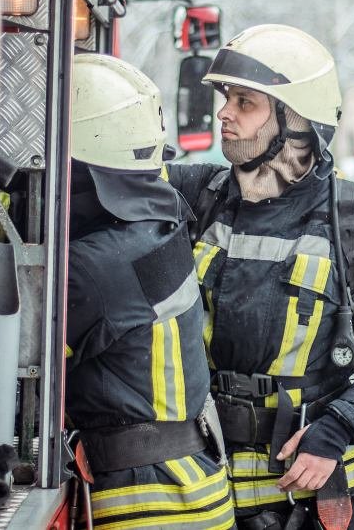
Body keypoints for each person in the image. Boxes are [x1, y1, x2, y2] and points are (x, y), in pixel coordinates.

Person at [165, 24, 354, 530]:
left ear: (294, 121)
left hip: (313, 495)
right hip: (210, 488)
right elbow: (115, 178)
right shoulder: (200, 197)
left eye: (245, 102)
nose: (224, 112)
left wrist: (339, 428)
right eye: (227, 98)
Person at [64, 53, 234, 529]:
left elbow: (4, 357)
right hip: (192, 489)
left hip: (151, 504)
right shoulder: (159, 222)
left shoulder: (96, 266)